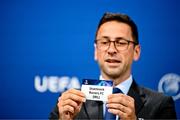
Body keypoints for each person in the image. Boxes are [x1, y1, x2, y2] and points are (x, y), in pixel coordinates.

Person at [49, 12, 177, 120]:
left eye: (120, 42)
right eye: (104, 42)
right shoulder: (68, 103)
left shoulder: (161, 104)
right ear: (95, 51)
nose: (111, 50)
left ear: (136, 52)